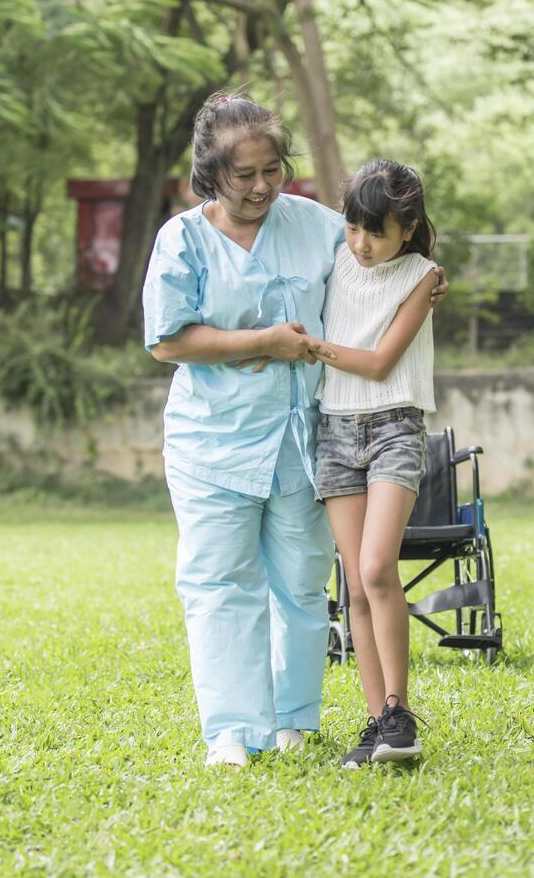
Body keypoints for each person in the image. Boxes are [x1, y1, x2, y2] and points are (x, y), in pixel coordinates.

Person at [142, 95, 443, 768]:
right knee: (219, 581)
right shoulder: (181, 240)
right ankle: (229, 730)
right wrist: (266, 342)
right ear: (210, 173)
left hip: (309, 438)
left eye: (271, 169)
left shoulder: (316, 225)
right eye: (243, 174)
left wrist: (425, 275)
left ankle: (293, 718)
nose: (260, 187)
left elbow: (381, 248)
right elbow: (167, 341)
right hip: (213, 440)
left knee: (302, 582)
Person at [308, 159, 439, 768]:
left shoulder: (422, 275)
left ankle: (398, 713)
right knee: (355, 583)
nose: (362, 244)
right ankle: (376, 724)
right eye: (355, 228)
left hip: (394, 428)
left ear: (407, 229)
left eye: (377, 232)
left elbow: (381, 362)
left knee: (379, 566)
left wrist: (309, 346)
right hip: (333, 429)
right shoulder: (335, 256)